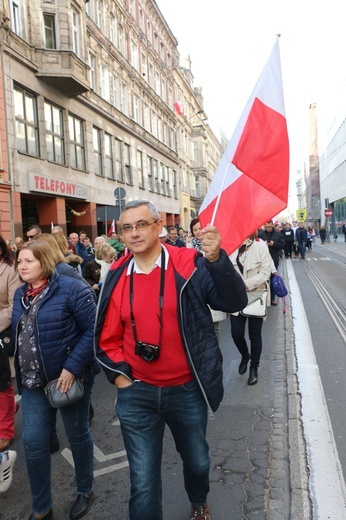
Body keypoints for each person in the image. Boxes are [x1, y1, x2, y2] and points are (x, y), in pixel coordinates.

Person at [94, 199, 247, 520]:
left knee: (197, 461)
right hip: (137, 394)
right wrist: (122, 380)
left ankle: (199, 500)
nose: (134, 233)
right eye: (126, 228)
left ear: (158, 225)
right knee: (143, 483)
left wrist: (217, 259)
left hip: (186, 390)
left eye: (142, 224)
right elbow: (105, 338)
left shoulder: (189, 262)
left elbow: (234, 301)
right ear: (119, 235)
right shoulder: (118, 273)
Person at [12, 239, 99, 520]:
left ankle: (85, 489)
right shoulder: (19, 294)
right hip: (33, 382)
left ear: (45, 261)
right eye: (20, 261)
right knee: (33, 443)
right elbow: (21, 335)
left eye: (29, 261)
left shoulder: (71, 287)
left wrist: (72, 367)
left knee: (77, 435)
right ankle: (42, 508)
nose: (22, 266)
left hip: (68, 379)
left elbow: (93, 329)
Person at [229, 234, 272, 385]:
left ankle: (254, 367)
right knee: (236, 333)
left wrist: (246, 285)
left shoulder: (260, 246)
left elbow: (265, 273)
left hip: (255, 295)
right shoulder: (231, 246)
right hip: (236, 298)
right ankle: (245, 355)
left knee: (255, 335)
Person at [187, 217, 227, 342]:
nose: (198, 232)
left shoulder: (213, 244)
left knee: (215, 326)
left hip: (211, 285)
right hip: (195, 288)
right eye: (195, 230)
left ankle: (217, 352)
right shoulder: (188, 247)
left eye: (200, 228)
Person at [0, 236, 21, 452]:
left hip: (1, 332)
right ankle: (8, 409)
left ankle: (5, 431)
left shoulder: (10, 270)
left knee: (2, 385)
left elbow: (14, 305)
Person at [258, 220, 284, 305]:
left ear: (272, 225)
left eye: (270, 227)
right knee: (263, 279)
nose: (268, 229)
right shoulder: (261, 234)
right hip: (261, 260)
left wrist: (274, 244)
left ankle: (272, 298)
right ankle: (263, 298)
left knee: (273, 280)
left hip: (273, 258)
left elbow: (282, 245)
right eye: (266, 227)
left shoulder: (278, 234)